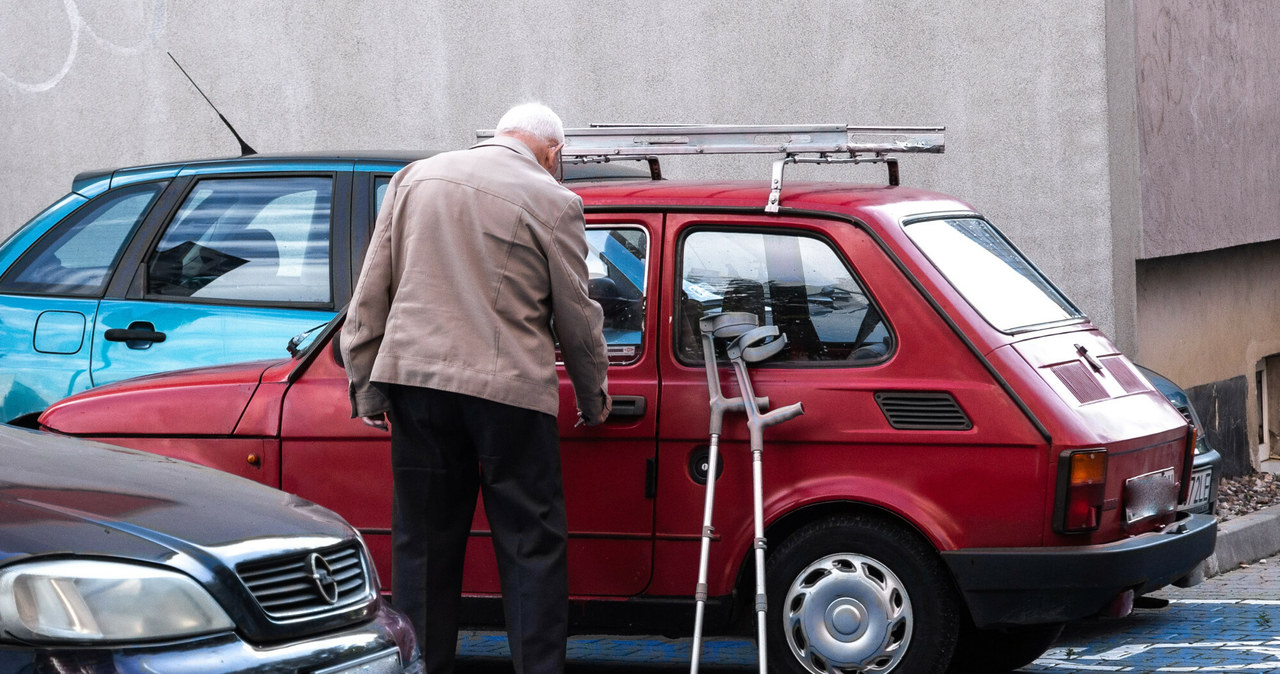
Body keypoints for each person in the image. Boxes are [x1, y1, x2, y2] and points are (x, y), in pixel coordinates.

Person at [341, 102, 611, 674]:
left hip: (417, 387)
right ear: (551, 151)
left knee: (423, 547)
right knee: (529, 547)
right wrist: (593, 397)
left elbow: (370, 293)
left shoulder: (415, 179)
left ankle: (421, 667)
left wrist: (366, 386)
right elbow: (577, 316)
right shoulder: (554, 200)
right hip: (510, 393)